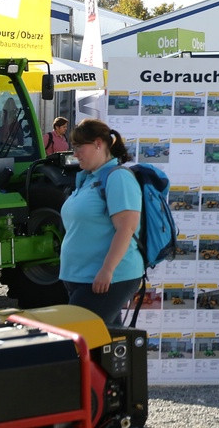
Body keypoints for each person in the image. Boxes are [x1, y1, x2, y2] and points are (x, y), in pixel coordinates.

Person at [60, 119, 143, 325]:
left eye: (79, 147)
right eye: (74, 147)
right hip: (84, 278)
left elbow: (126, 228)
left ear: (98, 143)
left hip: (107, 279)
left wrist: (107, 270)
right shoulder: (88, 178)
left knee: (78, 340)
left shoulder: (118, 177)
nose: (75, 153)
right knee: (106, 348)